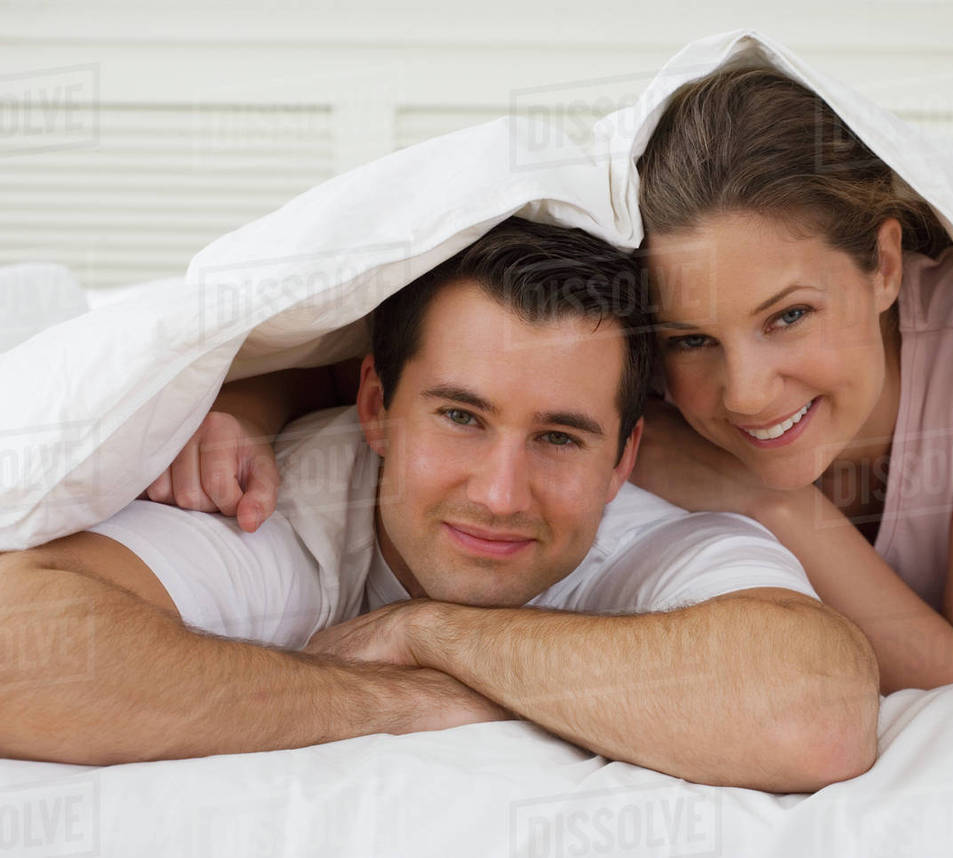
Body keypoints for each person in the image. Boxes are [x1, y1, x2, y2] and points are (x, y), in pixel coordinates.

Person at [166, 68, 953, 696]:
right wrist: (243, 406)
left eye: (789, 316)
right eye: (693, 339)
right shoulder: (633, 359)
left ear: (886, 266)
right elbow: (383, 363)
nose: (746, 394)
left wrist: (771, 505)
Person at [0, 218, 879, 793]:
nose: (499, 495)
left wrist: (428, 634)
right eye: (461, 418)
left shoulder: (650, 536)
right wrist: (398, 702)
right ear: (375, 408)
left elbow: (815, 712)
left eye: (560, 438)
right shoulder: (284, 506)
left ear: (623, 461)